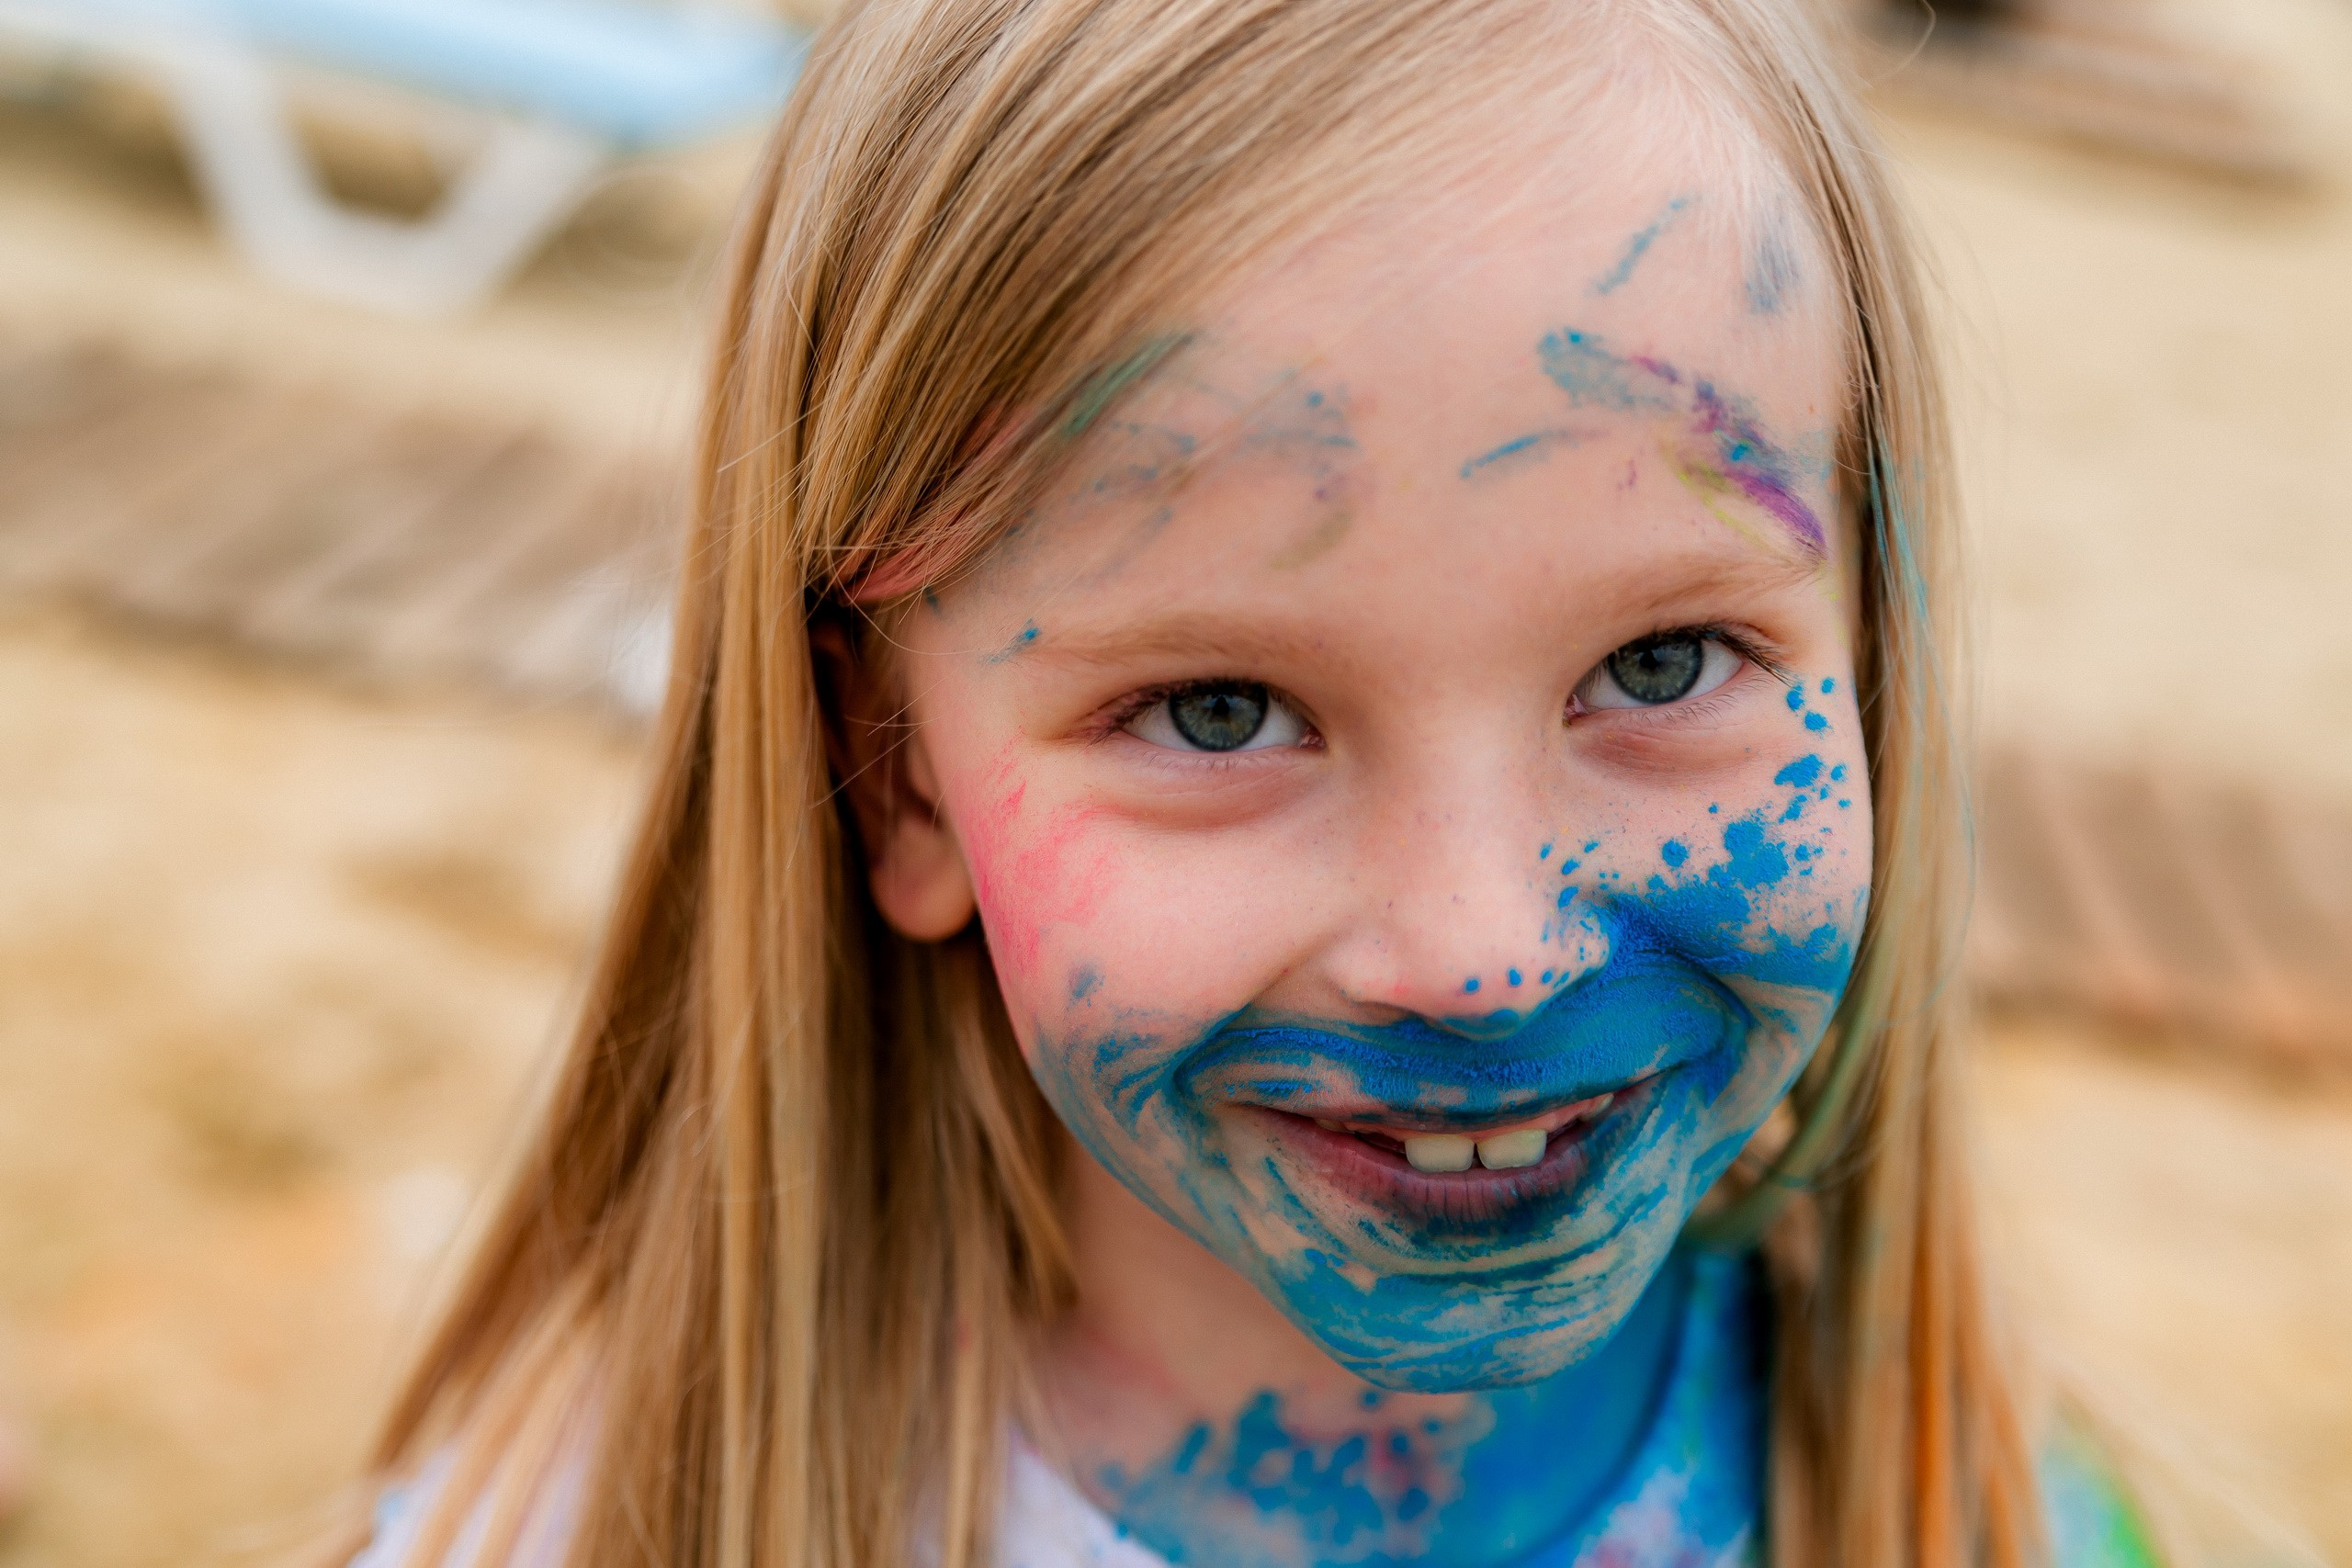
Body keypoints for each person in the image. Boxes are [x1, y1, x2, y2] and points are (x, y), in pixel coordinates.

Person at [339, 0, 2166, 1562]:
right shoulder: (579, 1529)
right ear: (892, 776)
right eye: (1218, 711)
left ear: (1872, 662)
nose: (1481, 955)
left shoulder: (1997, 1513)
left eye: (1660, 666)